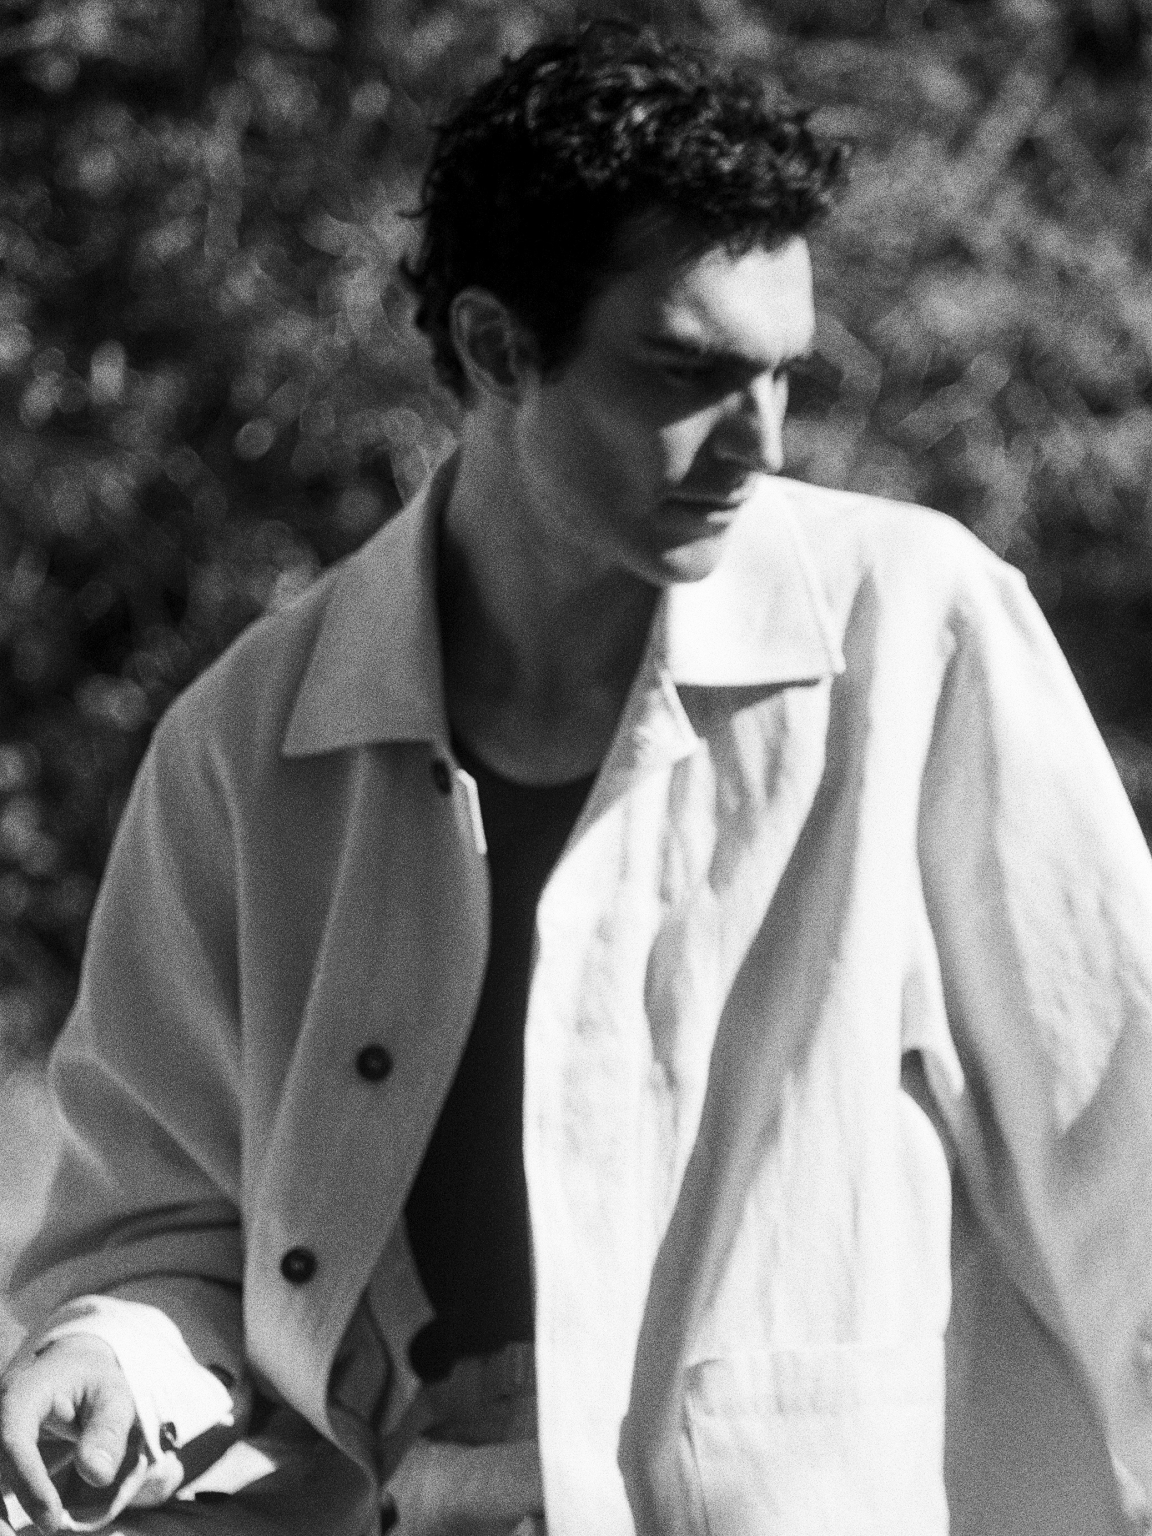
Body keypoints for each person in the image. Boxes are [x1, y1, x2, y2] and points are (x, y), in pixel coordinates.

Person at [2, 18, 1151, 1536]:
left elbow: (1125, 1151)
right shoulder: (244, 748)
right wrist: (111, 1357)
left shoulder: (915, 633)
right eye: (686, 374)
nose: (759, 440)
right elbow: (161, 1231)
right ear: (495, 349)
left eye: (782, 374)